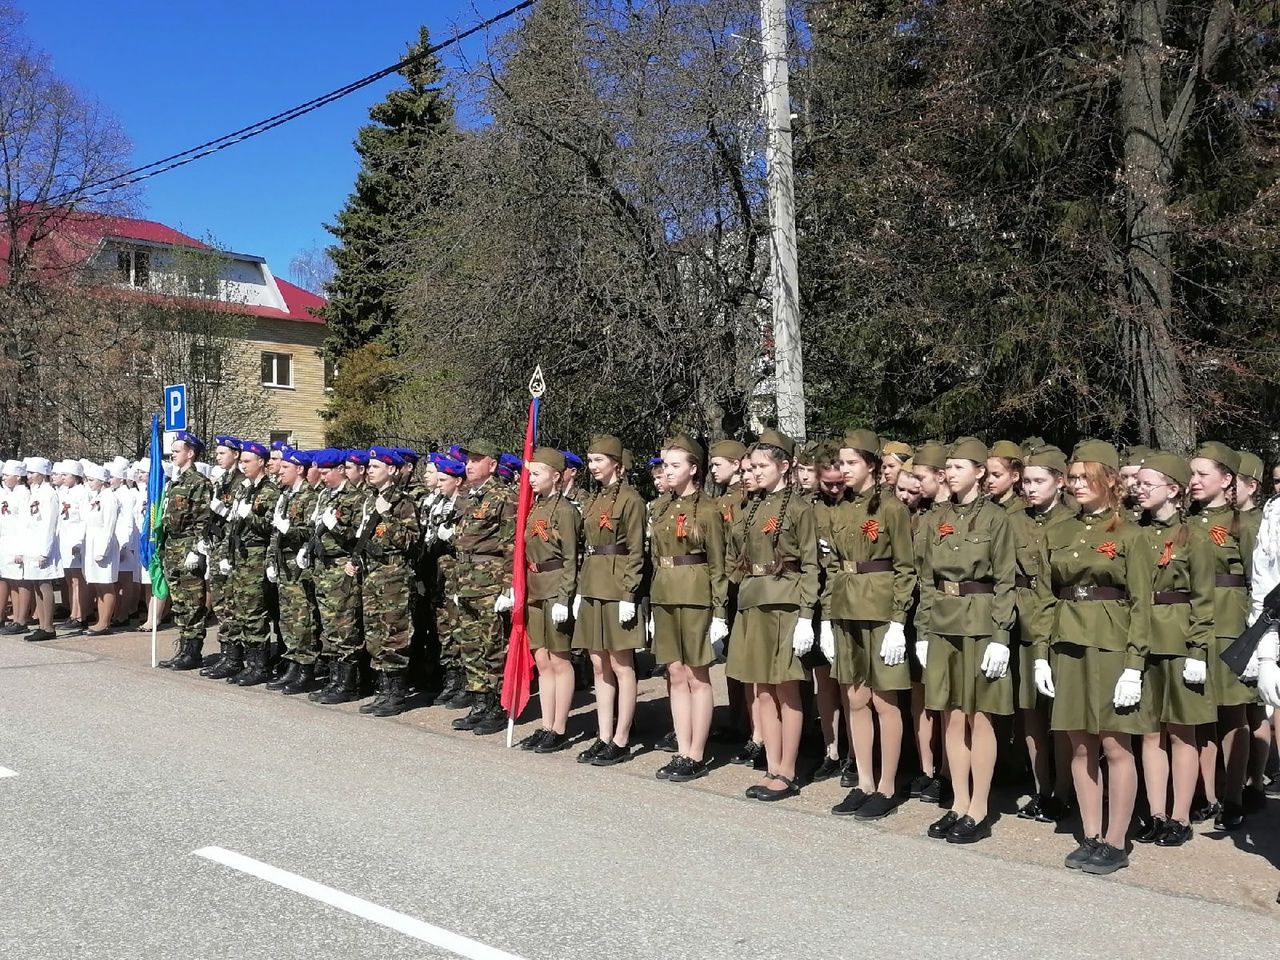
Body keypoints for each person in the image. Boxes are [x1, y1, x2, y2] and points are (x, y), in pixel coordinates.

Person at [1030, 439, 1154, 875]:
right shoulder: (1057, 531)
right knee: (1078, 744)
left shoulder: (1131, 534)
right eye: (1074, 477)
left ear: (1110, 481)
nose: (1077, 485)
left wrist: (1135, 666)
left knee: (1115, 745)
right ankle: (1092, 834)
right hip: (1068, 643)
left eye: (1086, 478)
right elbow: (1045, 597)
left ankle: (1117, 841)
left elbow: (1141, 603)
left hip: (1112, 644)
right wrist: (1040, 655)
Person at [915, 437, 1017, 844]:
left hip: (981, 620)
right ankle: (958, 802)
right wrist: (923, 631)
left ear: (978, 471)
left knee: (981, 715)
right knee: (951, 715)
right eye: (948, 467)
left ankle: (979, 808)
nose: (950, 473)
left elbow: (1006, 579)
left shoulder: (996, 518)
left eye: (958, 466)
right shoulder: (933, 518)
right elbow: (926, 578)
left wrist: (1001, 636)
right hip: (943, 621)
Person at [824, 429, 917, 821]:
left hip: (879, 608)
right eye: (841, 463)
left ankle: (887, 786)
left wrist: (898, 621)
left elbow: (905, 567)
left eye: (851, 463)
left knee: (884, 700)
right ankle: (863, 781)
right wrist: (828, 617)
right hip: (846, 606)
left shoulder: (891, 508)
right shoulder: (839, 509)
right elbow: (830, 565)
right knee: (855, 698)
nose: (843, 470)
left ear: (872, 467)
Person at [726, 430, 818, 802]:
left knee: (786, 688)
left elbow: (811, 563)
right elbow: (737, 558)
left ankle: (788, 769)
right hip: (754, 600)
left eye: (764, 466)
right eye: (753, 466)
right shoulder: (751, 508)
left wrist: (808, 615)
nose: (756, 472)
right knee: (762, 688)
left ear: (784, 466)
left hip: (785, 601)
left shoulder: (799, 509)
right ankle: (772, 764)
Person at [1131, 451, 1216, 847]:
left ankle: (1180, 816)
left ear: (1174, 490)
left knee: (1182, 733)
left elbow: (1204, 597)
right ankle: (1155, 812)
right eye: (1139, 482)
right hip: (1141, 641)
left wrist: (1199, 649)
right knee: (1149, 733)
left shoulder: (1195, 536)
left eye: (1149, 483)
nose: (1139, 488)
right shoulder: (1134, 532)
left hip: (1180, 640)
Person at [649, 434, 727, 781]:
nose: (668, 471)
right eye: (666, 465)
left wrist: (720, 612)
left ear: (694, 469)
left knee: (697, 674)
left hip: (695, 593)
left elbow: (718, 563)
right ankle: (682, 748)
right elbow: (655, 557)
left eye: (675, 465)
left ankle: (697, 752)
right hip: (665, 594)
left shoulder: (709, 510)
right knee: (675, 673)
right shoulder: (661, 507)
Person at [1187, 442, 1255, 831]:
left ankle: (1234, 795)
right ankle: (1204, 792)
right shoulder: (1186, 522)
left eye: (1203, 474)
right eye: (1192, 474)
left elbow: (1255, 580)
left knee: (1232, 713)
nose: (1194, 481)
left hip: (1230, 625)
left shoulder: (1242, 525)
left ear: (1227, 479)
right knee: (1197, 714)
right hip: (1193, 624)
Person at [1007, 442, 1074, 823]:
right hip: (1023, 616)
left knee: (1061, 714)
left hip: (1058, 619)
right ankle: (1041, 788)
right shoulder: (1014, 519)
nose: (1030, 489)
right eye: (1027, 482)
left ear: (1059, 482)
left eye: (1038, 481)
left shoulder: (1072, 521)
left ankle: (1065, 790)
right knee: (1030, 710)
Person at [574, 433, 646, 764]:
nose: (593, 466)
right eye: (589, 460)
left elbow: (635, 550)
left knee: (621, 663)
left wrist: (630, 593)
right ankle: (603, 734)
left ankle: (622, 737)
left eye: (599, 460)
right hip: (592, 583)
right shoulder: (593, 499)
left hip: (617, 586)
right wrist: (579, 590)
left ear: (616, 463)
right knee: (598, 662)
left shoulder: (631, 499)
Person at [450, 438, 518, 737]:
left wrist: (508, 587)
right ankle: (480, 701)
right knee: (470, 643)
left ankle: (499, 706)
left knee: (493, 645)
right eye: (468, 459)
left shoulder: (504, 496)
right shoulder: (468, 496)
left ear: (492, 465)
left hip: (490, 581)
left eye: (476, 459)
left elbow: (512, 545)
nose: (469, 464)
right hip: (465, 579)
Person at [519, 447, 583, 753]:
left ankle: (559, 727)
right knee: (542, 659)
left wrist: (565, 596)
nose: (530, 479)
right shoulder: (533, 507)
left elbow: (571, 557)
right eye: (530, 473)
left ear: (556, 476)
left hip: (555, 585)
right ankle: (546, 724)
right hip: (534, 587)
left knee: (559, 658)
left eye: (537, 473)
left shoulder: (566, 511)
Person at [350, 447, 420, 717]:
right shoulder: (369, 499)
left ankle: (396, 694)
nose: (369, 471)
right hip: (372, 574)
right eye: (369, 467)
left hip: (393, 577)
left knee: (394, 632)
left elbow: (412, 542)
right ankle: (383, 690)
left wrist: (388, 516)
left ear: (391, 470)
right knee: (375, 633)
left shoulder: (402, 502)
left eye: (375, 467)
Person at [907, 440, 950, 803]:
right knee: (924, 694)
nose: (916, 483)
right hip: (918, 612)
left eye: (922, 477)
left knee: (948, 700)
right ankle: (927, 768)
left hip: (947, 613)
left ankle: (950, 772)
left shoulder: (952, 516)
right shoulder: (922, 515)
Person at [308, 448, 367, 705]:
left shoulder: (356, 497)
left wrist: (336, 526)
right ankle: (334, 679)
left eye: (325, 472)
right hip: (323, 567)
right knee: (329, 626)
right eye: (319, 472)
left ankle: (348, 683)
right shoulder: (325, 495)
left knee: (344, 626)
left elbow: (357, 537)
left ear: (340, 470)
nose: (321, 477)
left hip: (342, 567)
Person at [221, 440, 281, 686]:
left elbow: (271, 527)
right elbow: (233, 526)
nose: (243, 466)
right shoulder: (245, 489)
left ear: (261, 463)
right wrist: (226, 553)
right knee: (240, 610)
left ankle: (260, 665)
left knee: (255, 612)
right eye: (242, 461)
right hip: (240, 556)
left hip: (256, 557)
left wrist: (251, 517)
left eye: (247, 461)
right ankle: (248, 660)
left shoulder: (269, 491)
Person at [265, 448, 321, 694]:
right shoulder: (285, 495)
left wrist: (290, 530)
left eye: (286, 467)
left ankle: (305, 669)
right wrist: (270, 561)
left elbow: (312, 531)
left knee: (302, 619)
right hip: (282, 564)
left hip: (299, 567)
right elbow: (275, 535)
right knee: (287, 619)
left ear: (300, 469)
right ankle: (292, 664)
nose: (281, 471)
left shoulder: (310, 496)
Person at [155, 434, 212, 669]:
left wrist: (197, 549)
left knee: (192, 601)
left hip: (188, 544)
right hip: (172, 546)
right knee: (179, 601)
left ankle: (193, 651)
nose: (173, 455)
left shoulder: (199, 482)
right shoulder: (174, 482)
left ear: (190, 453)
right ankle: (184, 646)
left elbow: (203, 517)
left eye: (177, 450)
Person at [427, 453, 469, 708]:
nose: (440, 483)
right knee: (444, 628)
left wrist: (451, 536)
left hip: (457, 572)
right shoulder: (439, 503)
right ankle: (451, 679)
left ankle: (465, 682)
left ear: (457, 481)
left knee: (459, 627)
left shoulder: (464, 504)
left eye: (444, 479)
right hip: (439, 573)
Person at [200, 437, 243, 678]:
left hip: (230, 549)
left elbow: (236, 517)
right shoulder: (223, 479)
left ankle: (234, 657)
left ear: (235, 454)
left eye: (222, 452)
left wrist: (222, 510)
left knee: (230, 604)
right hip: (218, 547)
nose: (218, 456)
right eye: (217, 453)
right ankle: (226, 654)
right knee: (219, 603)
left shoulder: (239, 482)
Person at [19, 457, 61, 643]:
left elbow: (49, 524)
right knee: (36, 585)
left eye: (32, 473)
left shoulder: (49, 493)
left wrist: (45, 550)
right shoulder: (34, 493)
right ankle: (42, 625)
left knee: (44, 585)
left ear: (42, 474)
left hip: (43, 545)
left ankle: (49, 626)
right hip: (32, 543)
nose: (28, 476)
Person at [80, 463, 120, 635]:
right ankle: (100, 619)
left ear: (102, 481)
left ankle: (105, 622)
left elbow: (109, 526)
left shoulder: (110, 498)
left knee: (106, 584)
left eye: (91, 480)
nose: (89, 483)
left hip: (105, 544)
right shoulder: (96, 497)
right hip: (92, 542)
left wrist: (102, 550)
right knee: (98, 585)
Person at [54, 461, 88, 631]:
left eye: (66, 475)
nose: (62, 478)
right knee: (68, 579)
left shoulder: (82, 493)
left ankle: (80, 614)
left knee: (77, 580)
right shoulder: (64, 492)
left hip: (75, 539)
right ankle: (72, 613)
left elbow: (84, 519)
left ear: (76, 476)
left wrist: (80, 542)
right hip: (64, 539)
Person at [0, 461, 29, 634]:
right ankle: (16, 619)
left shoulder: (24, 494)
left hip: (18, 542)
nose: (3, 477)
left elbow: (25, 524)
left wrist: (21, 549)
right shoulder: (9, 494)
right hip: (6, 542)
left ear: (18, 477)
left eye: (7, 475)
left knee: (21, 581)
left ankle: (21, 619)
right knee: (11, 581)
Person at [986, 440, 1026, 513]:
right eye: (987, 475)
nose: (990, 480)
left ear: (1015, 476)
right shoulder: (983, 507)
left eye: (996, 475)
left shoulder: (1025, 511)